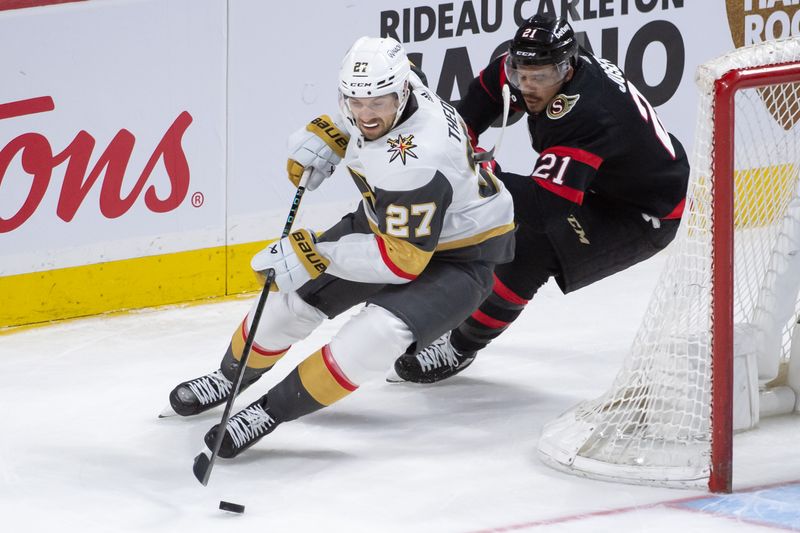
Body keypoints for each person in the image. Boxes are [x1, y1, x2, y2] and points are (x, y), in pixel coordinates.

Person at [165, 36, 515, 458]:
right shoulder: (405, 85)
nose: (366, 115)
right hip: (392, 223)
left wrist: (316, 254)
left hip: (462, 256)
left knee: (376, 334)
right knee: (289, 302)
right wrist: (333, 131)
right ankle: (229, 378)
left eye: (378, 104)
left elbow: (401, 262)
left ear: (401, 93)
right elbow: (364, 116)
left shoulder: (417, 160)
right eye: (355, 102)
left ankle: (267, 412)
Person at [390, 15, 690, 383]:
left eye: (541, 78)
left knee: (533, 246)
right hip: (607, 180)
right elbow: (480, 98)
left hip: (644, 212)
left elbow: (545, 207)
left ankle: (460, 348)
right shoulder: (528, 67)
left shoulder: (590, 115)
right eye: (521, 75)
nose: (528, 86)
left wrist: (476, 171)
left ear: (567, 70)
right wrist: (456, 142)